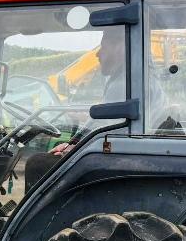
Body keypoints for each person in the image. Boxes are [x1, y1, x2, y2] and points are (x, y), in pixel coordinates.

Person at [24, 26, 126, 190]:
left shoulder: (122, 85)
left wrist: (74, 148)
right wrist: (71, 144)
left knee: (37, 163)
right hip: (116, 151)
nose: (98, 54)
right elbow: (100, 124)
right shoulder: (123, 81)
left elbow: (108, 131)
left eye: (103, 47)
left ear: (120, 46)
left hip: (116, 156)